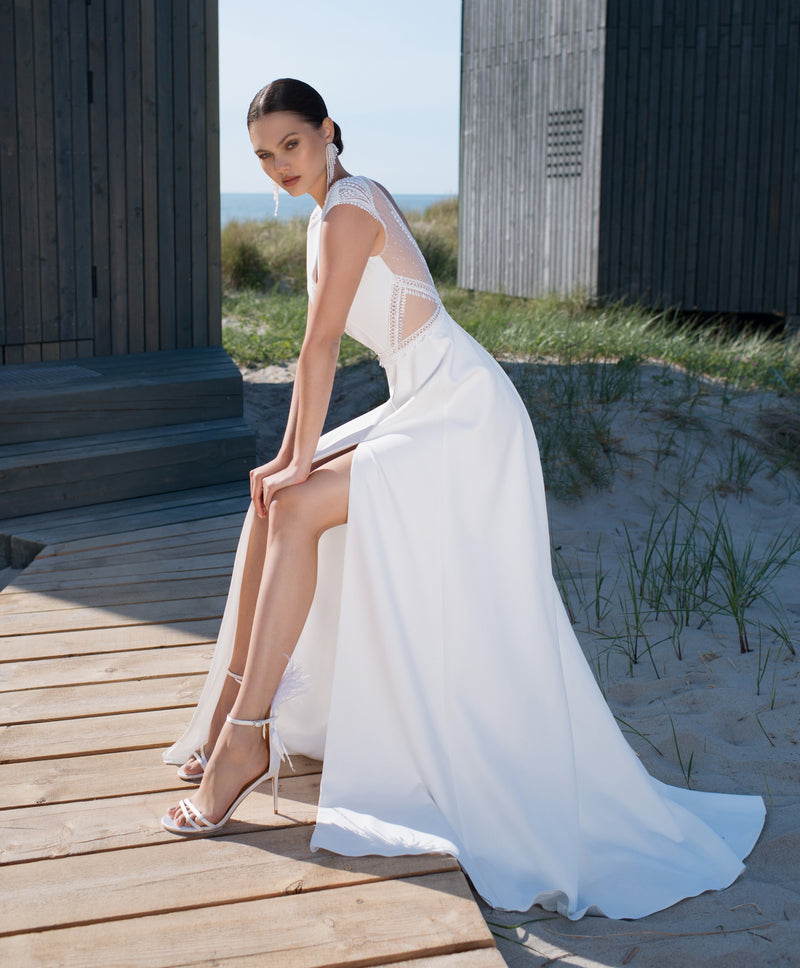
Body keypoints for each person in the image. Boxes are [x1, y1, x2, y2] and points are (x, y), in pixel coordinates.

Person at [163, 78, 765, 920]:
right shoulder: (330, 206)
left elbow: (321, 344)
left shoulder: (349, 209)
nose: (277, 167)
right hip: (423, 404)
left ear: (327, 131)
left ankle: (245, 741)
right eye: (263, 156)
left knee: (292, 499)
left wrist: (297, 453)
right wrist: (289, 461)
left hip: (464, 416)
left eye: (290, 146)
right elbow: (330, 349)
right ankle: (229, 711)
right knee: (272, 503)